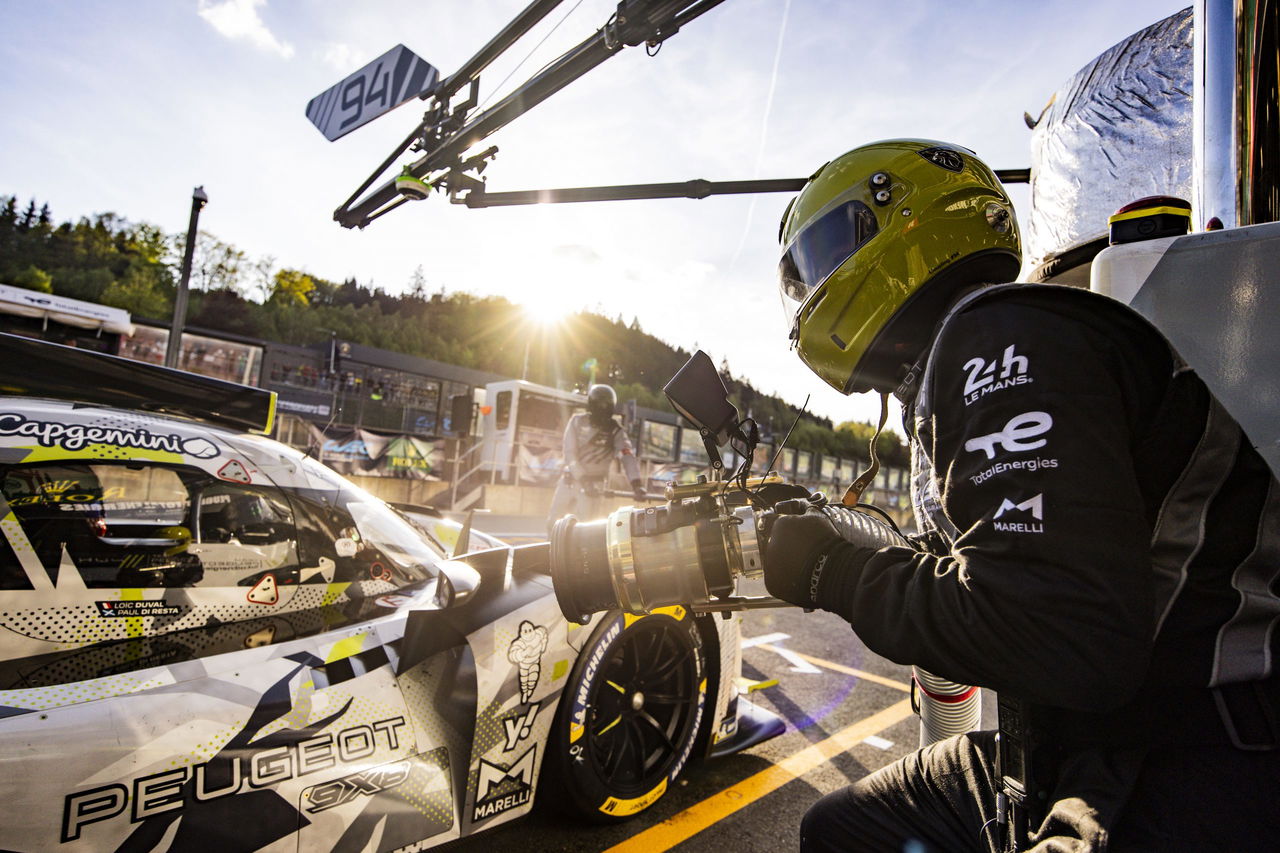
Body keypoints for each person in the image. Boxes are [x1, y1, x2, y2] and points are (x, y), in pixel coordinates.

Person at [762, 139, 1280, 852]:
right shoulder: (989, 348)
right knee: (841, 826)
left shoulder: (1002, 335)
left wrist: (831, 569)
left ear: (897, 218)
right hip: (1076, 739)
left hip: (1189, 743)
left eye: (818, 257)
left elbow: (1060, 633)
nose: (809, 294)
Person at [547, 384, 646, 530]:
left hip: (595, 486)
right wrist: (582, 478)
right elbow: (569, 453)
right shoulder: (577, 422)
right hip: (570, 481)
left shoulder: (615, 431)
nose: (602, 410)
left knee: (584, 528)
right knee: (553, 522)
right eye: (600, 406)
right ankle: (551, 549)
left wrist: (637, 484)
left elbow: (627, 456)